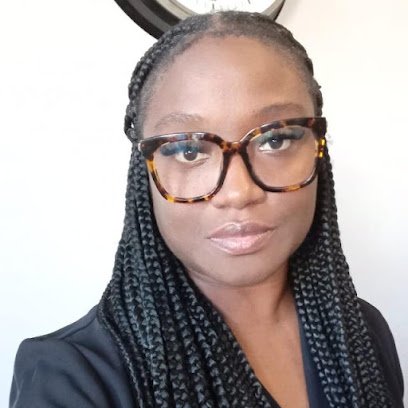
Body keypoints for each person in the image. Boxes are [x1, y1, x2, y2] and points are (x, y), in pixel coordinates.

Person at [9, 11, 404, 408]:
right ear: (144, 172)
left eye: (276, 140)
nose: (238, 192)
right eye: (189, 150)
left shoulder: (360, 333)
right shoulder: (70, 377)